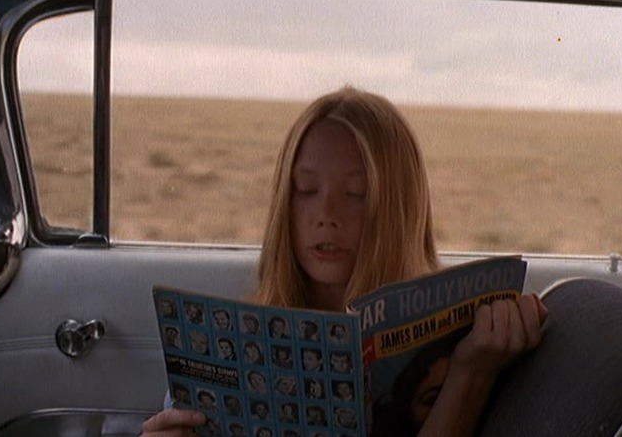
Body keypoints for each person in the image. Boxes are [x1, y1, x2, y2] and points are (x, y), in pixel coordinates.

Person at [141, 87, 547, 436]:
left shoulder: (458, 350)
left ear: (396, 211)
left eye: (356, 193)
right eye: (306, 189)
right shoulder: (229, 344)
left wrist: (470, 375)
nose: (327, 213)